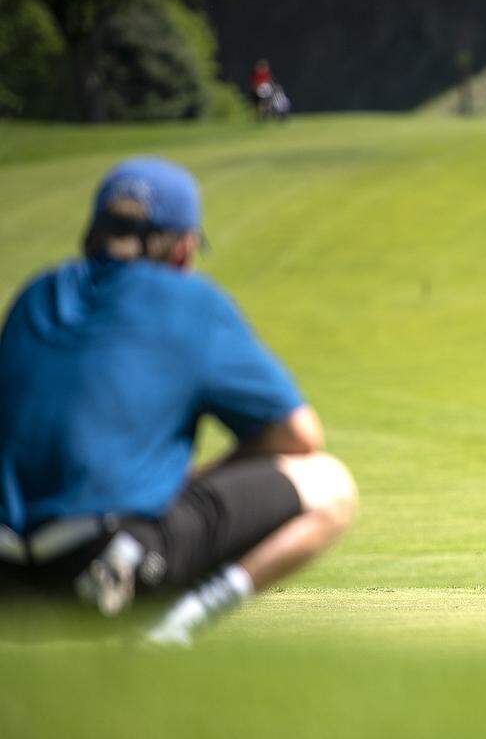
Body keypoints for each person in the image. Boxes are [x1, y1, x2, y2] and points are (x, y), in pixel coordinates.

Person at [0, 157, 357, 644]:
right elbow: (299, 434)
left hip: (11, 583)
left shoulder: (36, 295)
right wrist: (197, 480)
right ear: (185, 247)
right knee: (330, 483)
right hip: (100, 566)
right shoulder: (190, 303)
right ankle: (170, 632)